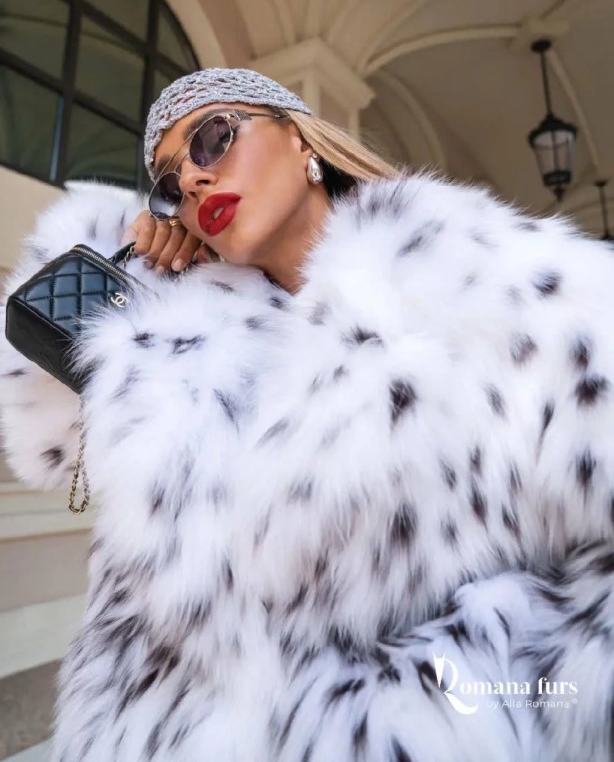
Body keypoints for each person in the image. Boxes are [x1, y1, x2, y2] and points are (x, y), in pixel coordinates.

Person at [0, 68, 612, 762]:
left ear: (299, 139)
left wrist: (460, 704)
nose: (192, 180)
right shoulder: (185, 343)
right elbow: (44, 439)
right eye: (168, 186)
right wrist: (132, 267)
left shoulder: (495, 280)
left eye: (212, 139)